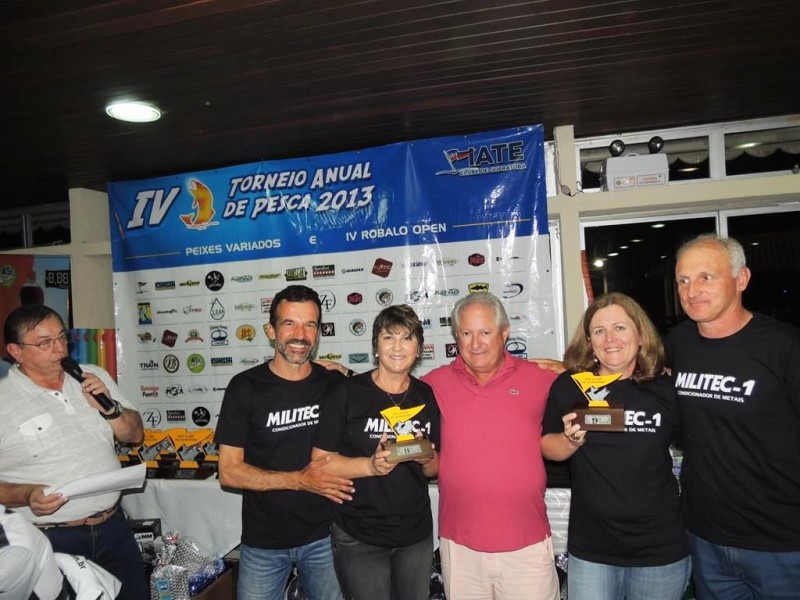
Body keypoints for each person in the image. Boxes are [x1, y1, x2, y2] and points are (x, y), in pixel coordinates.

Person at [666, 234, 800, 598]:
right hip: (706, 537)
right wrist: (568, 371)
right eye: (683, 280)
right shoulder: (677, 344)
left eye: (706, 277)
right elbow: (632, 376)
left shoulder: (785, 346)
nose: (692, 290)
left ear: (741, 279)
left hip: (783, 544)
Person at [541, 292, 690, 600]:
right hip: (592, 548)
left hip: (659, 547)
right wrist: (569, 441)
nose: (610, 339)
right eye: (599, 331)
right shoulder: (570, 386)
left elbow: (699, 444)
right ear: (590, 342)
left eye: (620, 327)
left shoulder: (666, 389)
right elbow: (548, 448)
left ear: (640, 335)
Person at [215, 285, 355, 600]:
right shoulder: (244, 387)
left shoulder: (334, 384)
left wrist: (348, 372)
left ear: (318, 332)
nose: (300, 335)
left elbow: (380, 402)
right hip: (263, 543)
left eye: (310, 325)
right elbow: (229, 472)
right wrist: (299, 480)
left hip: (325, 537)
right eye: (289, 323)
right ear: (271, 330)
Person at [0, 304, 147, 600]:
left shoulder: (91, 375)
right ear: (16, 351)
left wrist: (110, 408)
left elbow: (135, 435)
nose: (59, 348)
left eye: (62, 337)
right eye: (45, 343)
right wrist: (26, 494)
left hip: (113, 528)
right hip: (48, 538)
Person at [422, 292, 560, 600]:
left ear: (505, 332)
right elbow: (389, 392)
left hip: (527, 546)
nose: (476, 344)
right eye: (466, 333)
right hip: (460, 549)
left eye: (485, 332)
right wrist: (344, 375)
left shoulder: (541, 378)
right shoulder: (434, 383)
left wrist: (573, 369)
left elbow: (601, 388)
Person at [312, 304, 440, 600]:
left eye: (407, 338)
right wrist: (370, 465)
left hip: (415, 535)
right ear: (375, 347)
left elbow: (433, 469)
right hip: (359, 534)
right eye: (388, 337)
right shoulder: (345, 393)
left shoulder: (426, 395)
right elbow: (320, 463)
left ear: (418, 349)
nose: (397, 347)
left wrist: (426, 457)